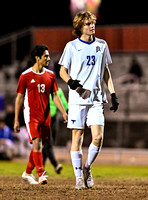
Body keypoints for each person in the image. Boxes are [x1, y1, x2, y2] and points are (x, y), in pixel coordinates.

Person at [59, 11, 119, 189]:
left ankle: (87, 168)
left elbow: (105, 71)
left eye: (92, 23)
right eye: (87, 24)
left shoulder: (102, 44)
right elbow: (62, 70)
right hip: (78, 98)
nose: (92, 26)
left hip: (96, 98)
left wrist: (113, 94)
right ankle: (78, 178)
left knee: (98, 137)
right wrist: (70, 82)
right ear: (79, 27)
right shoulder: (71, 46)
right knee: (77, 136)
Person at [14, 44, 68, 185]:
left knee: (40, 145)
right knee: (37, 143)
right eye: (46, 56)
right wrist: (16, 120)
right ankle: (41, 174)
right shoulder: (25, 76)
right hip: (31, 114)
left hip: (46, 115)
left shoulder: (50, 75)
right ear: (37, 58)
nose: (49, 59)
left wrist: (64, 112)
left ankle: (27, 173)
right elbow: (19, 98)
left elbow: (55, 95)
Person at [42, 88, 68, 174]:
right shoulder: (42, 89)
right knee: (48, 143)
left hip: (53, 120)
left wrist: (66, 112)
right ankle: (55, 165)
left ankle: (41, 167)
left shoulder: (58, 90)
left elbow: (64, 103)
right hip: (44, 119)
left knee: (48, 145)